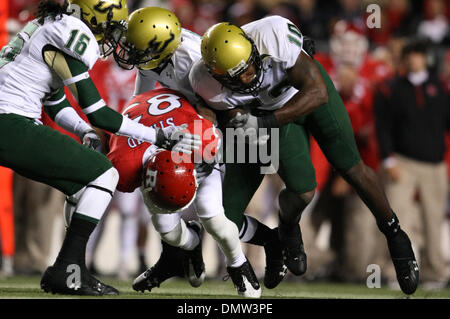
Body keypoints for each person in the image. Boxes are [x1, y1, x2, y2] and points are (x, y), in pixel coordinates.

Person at [189, 16, 420, 295]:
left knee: (351, 167)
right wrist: (222, 122)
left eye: (250, 65)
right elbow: (220, 117)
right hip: (261, 119)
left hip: (301, 98)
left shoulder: (272, 34)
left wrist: (263, 123)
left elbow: (318, 92)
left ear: (253, 47)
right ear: (218, 76)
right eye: (239, 75)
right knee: (229, 214)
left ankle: (395, 235)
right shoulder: (204, 82)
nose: (250, 75)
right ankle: (279, 236)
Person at [0, 0, 198, 296]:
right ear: (90, 17)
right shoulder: (71, 32)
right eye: (108, 28)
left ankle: (68, 266)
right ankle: (70, 268)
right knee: (105, 175)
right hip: (10, 122)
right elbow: (99, 113)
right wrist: (157, 136)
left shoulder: (48, 26)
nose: (108, 37)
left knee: (83, 187)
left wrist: (83, 130)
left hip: (11, 120)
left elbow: (55, 101)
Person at [114, 6, 282, 292]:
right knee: (164, 209)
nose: (130, 52)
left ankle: (255, 252)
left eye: (138, 47)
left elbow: (225, 109)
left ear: (159, 45)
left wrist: (202, 136)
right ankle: (177, 254)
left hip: (222, 131)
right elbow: (141, 100)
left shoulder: (195, 63)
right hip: (181, 131)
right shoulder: (156, 57)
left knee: (215, 214)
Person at [107, 87, 262, 298]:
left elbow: (214, 134)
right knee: (166, 228)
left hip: (193, 146)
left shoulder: (202, 137)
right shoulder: (126, 163)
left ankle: (238, 264)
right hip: (149, 139)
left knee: (212, 214)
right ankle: (193, 241)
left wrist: (208, 160)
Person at [374, 40, 449, 290]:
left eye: (418, 55)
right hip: (402, 162)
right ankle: (395, 271)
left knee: (433, 221)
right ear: (404, 59)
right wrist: (388, 159)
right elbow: (383, 128)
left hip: (434, 165)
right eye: (410, 55)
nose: (414, 59)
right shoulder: (391, 89)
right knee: (397, 219)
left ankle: (435, 273)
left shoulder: (441, 89)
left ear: (425, 58)